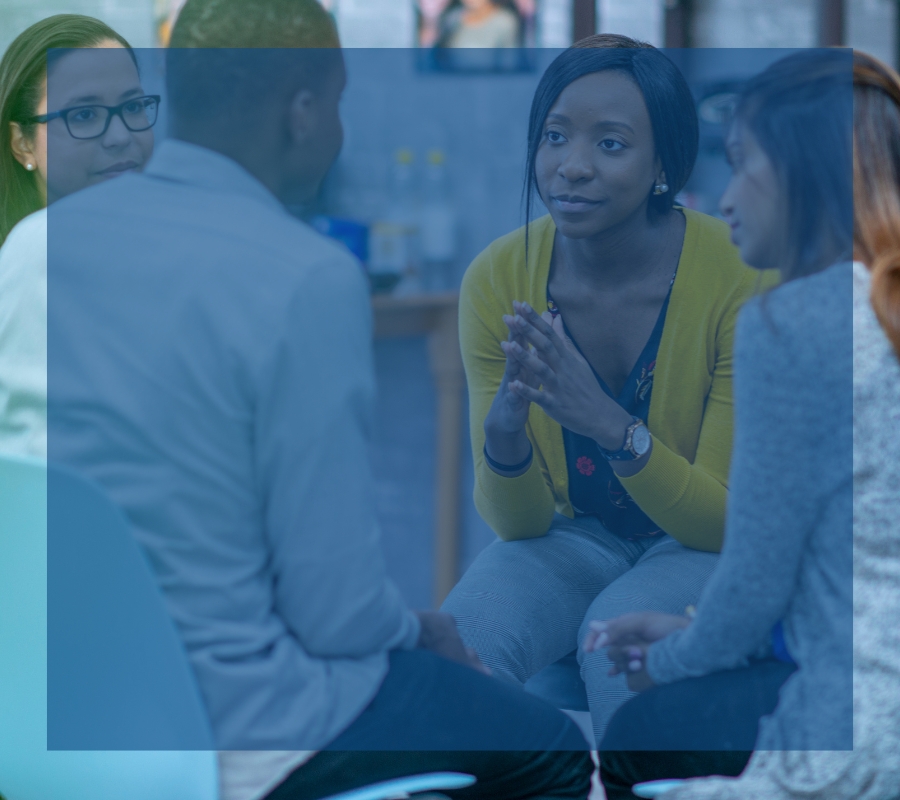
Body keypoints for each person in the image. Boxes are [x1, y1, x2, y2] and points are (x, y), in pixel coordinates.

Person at [45, 2, 594, 800]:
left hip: (67, 693)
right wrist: (421, 629)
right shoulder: (304, 275)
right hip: (239, 723)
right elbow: (336, 615)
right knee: (548, 746)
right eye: (337, 102)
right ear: (302, 112)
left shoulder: (47, 249)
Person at [441, 33, 769, 744]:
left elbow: (722, 520)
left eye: (611, 145)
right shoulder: (497, 280)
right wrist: (504, 441)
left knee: (619, 647)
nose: (572, 167)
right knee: (457, 655)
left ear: (662, 165)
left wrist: (608, 425)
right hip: (575, 534)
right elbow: (521, 527)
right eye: (554, 137)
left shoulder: (740, 277)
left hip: (703, 544)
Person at [584, 49, 865, 799]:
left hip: (858, 716)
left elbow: (756, 575)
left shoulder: (790, 322)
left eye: (745, 164)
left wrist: (672, 661)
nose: (725, 196)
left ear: (808, 172)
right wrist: (696, 633)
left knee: (634, 738)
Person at [0, 14, 157, 458]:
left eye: (133, 107)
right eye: (84, 115)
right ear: (22, 143)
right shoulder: (34, 259)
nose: (121, 136)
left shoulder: (152, 255)